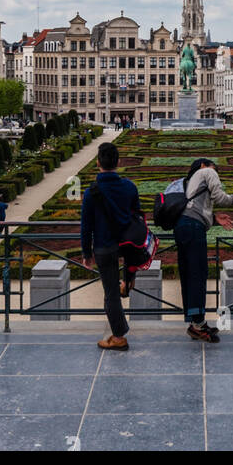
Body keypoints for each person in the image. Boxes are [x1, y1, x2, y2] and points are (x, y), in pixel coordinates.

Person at [80, 142, 147, 351]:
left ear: (98, 163)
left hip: (104, 246)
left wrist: (86, 253)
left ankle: (118, 337)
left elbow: (86, 226)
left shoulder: (92, 192)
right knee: (125, 270)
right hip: (127, 244)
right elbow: (137, 214)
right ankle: (128, 281)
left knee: (110, 293)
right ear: (118, 162)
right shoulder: (129, 186)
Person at [175, 157, 233, 342]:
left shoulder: (190, 180)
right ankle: (198, 325)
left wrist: (214, 217)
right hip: (193, 228)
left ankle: (195, 321)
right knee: (198, 274)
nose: (217, 172)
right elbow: (219, 197)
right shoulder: (207, 171)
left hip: (183, 226)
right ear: (203, 165)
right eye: (215, 168)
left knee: (189, 274)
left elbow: (199, 204)